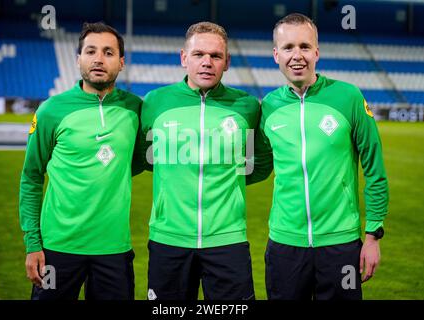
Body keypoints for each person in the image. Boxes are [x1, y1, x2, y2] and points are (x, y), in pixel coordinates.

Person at [256, 13, 389, 300]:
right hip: (284, 245)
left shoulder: (349, 97)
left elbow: (375, 169)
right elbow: (258, 164)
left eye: (305, 47)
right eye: (288, 48)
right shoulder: (268, 107)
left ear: (317, 52)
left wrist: (373, 235)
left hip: (340, 245)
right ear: (275, 55)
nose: (297, 55)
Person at [19, 22, 143, 300]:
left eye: (109, 52)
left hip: (114, 250)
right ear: (78, 59)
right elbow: (31, 176)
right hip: (57, 249)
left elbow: (138, 160)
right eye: (91, 51)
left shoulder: (135, 108)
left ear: (121, 62)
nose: (99, 59)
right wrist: (32, 244)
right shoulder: (51, 111)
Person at [141, 21, 264, 300]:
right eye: (198, 54)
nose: (207, 62)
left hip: (228, 239)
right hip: (168, 238)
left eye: (216, 56)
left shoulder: (246, 106)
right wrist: (175, 172)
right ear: (184, 58)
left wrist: (230, 177)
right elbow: (145, 155)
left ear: (227, 62)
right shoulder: (155, 103)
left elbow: (260, 160)